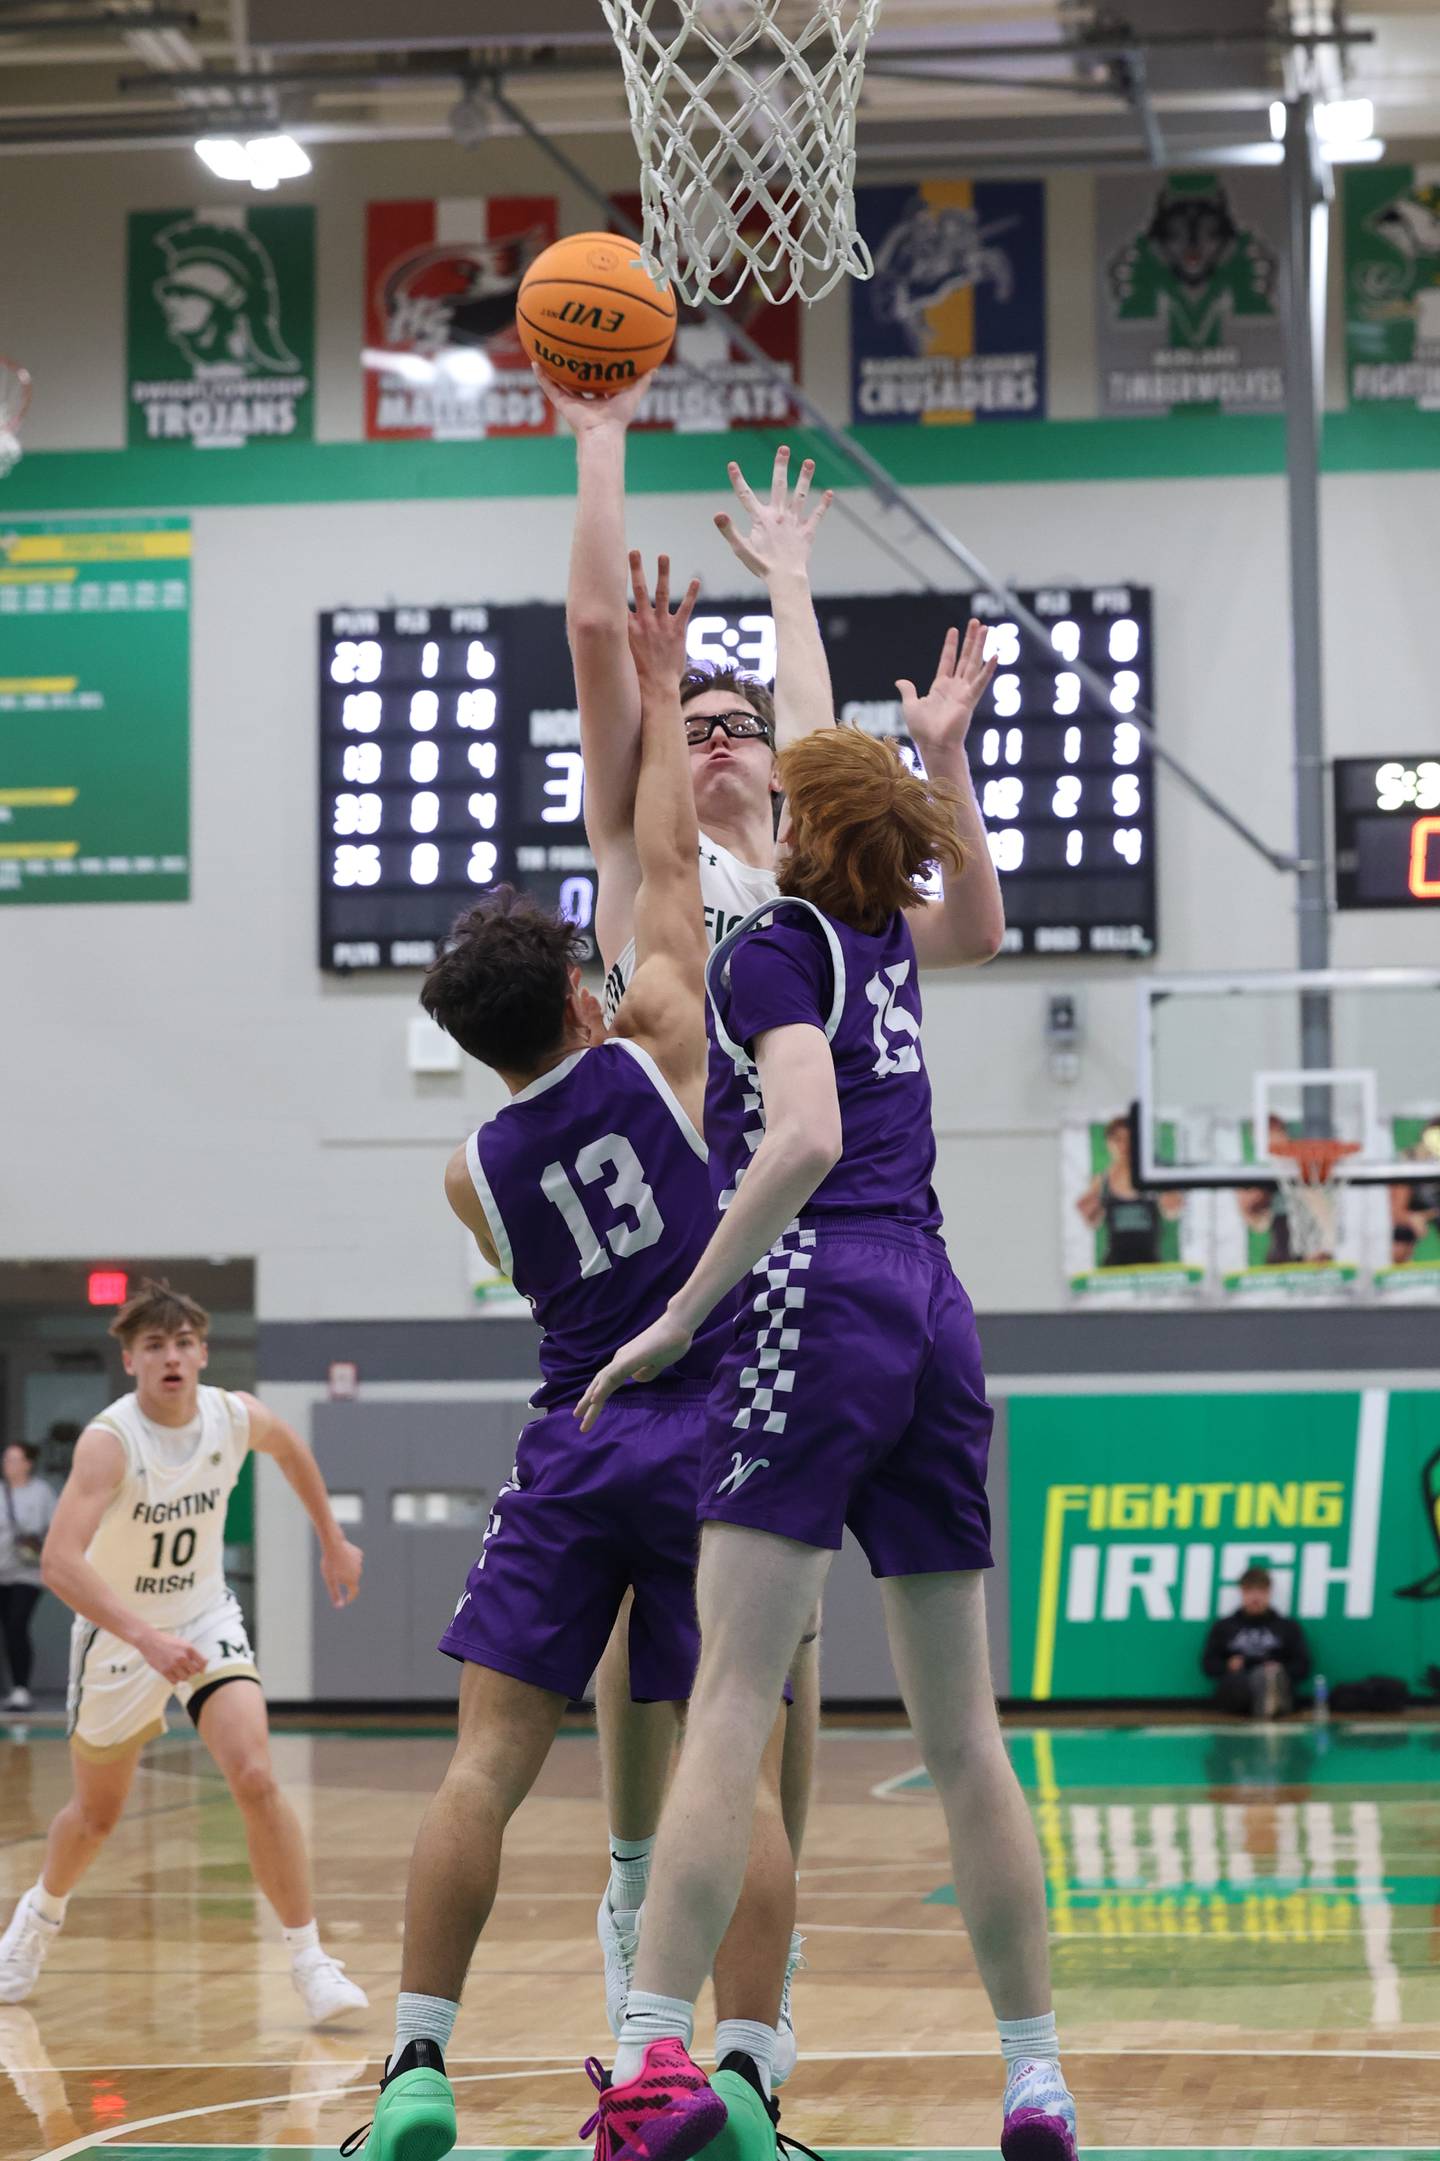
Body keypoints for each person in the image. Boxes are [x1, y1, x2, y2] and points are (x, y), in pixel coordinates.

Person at [544, 370, 1004, 2070]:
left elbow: (822, 739)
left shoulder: (813, 901)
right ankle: (625, 1880)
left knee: (777, 1666)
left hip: (781, 1294)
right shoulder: (654, 874)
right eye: (705, 720)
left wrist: (793, 580)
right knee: (644, 1650)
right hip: (653, 1307)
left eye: (750, 726)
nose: (730, 736)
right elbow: (607, 636)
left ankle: (757, 2020)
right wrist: (602, 443)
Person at [347, 557, 797, 2161]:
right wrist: (667, 703)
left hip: (569, 1440)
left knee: (479, 1767)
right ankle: (739, 2080)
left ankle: (414, 2066)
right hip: (707, 1436)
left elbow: (531, 1252)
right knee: (729, 1763)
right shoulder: (664, 1040)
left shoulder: (468, 1164)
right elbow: (667, 859)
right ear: (583, 995)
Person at [577, 719, 1075, 2161]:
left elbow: (796, 1139)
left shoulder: (776, 949)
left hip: (824, 1291)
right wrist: (947, 761)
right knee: (964, 1734)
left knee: (730, 1698)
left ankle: (651, 2052)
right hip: (938, 1305)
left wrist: (677, 1315)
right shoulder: (892, 938)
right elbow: (980, 907)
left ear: (802, 821)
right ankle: (1035, 2079)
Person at [0, 1279, 368, 2023]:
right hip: (117, 1633)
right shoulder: (112, 1442)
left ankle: (311, 1959)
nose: (171, 1356)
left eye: (182, 1342)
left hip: (202, 1616)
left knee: (257, 1774)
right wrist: (143, 1636)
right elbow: (61, 1564)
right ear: (131, 1359)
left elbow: (291, 1447)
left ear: (201, 1350)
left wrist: (333, 1539)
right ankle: (36, 1919)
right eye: (154, 1345)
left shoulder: (233, 1417)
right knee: (95, 1816)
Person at [1201, 1566, 1311, 1719]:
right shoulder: (1224, 1627)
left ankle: (1270, 1693)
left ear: (1269, 1593)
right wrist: (1228, 1665)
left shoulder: (1287, 1627)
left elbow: (1303, 1666)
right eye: (1250, 1591)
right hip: (1239, 1686)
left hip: (1276, 1680)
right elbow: (1208, 1664)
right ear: (1242, 1592)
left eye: (1261, 1591)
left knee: (1272, 1678)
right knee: (1242, 1681)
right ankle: (1267, 1700)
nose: (1255, 1597)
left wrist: (1280, 1668)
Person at [1075, 1115, 1183, 1267]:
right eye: (1118, 1139)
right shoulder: (1102, 1181)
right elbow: (1091, 1221)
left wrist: (1159, 1179)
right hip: (1114, 1267)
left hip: (1151, 1266)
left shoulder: (1155, 1177)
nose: (1125, 1145)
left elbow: (1173, 1211)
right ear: (1109, 1144)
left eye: (1131, 1139)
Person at [0, 1443, 57, 1711]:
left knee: (16, 1625)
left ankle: (21, 1689)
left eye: (15, 1459)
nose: (9, 1464)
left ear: (28, 1463)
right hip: (1, 1571)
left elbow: (58, 1529)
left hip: (28, 1573)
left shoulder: (42, 1492)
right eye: (6, 1459)